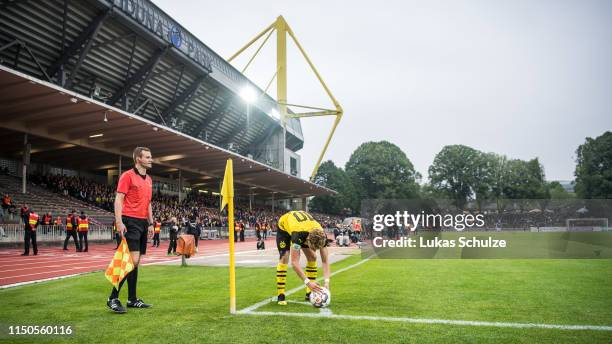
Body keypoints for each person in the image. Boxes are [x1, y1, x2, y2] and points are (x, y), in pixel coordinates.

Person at [107, 147, 155, 314]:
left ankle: (132, 299)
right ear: (138, 159)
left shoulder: (149, 179)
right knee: (130, 261)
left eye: (151, 157)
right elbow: (118, 199)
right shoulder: (127, 175)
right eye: (147, 157)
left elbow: (148, 202)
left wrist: (151, 223)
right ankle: (112, 298)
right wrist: (119, 222)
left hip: (142, 222)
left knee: (135, 263)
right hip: (129, 221)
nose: (151, 159)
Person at [275, 210, 330, 306]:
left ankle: (309, 293)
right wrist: (308, 282)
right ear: (308, 240)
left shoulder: (322, 235)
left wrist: (327, 282)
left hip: (305, 228)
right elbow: (294, 262)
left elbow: (325, 260)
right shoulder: (297, 236)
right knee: (285, 257)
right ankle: (281, 294)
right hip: (285, 227)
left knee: (313, 257)